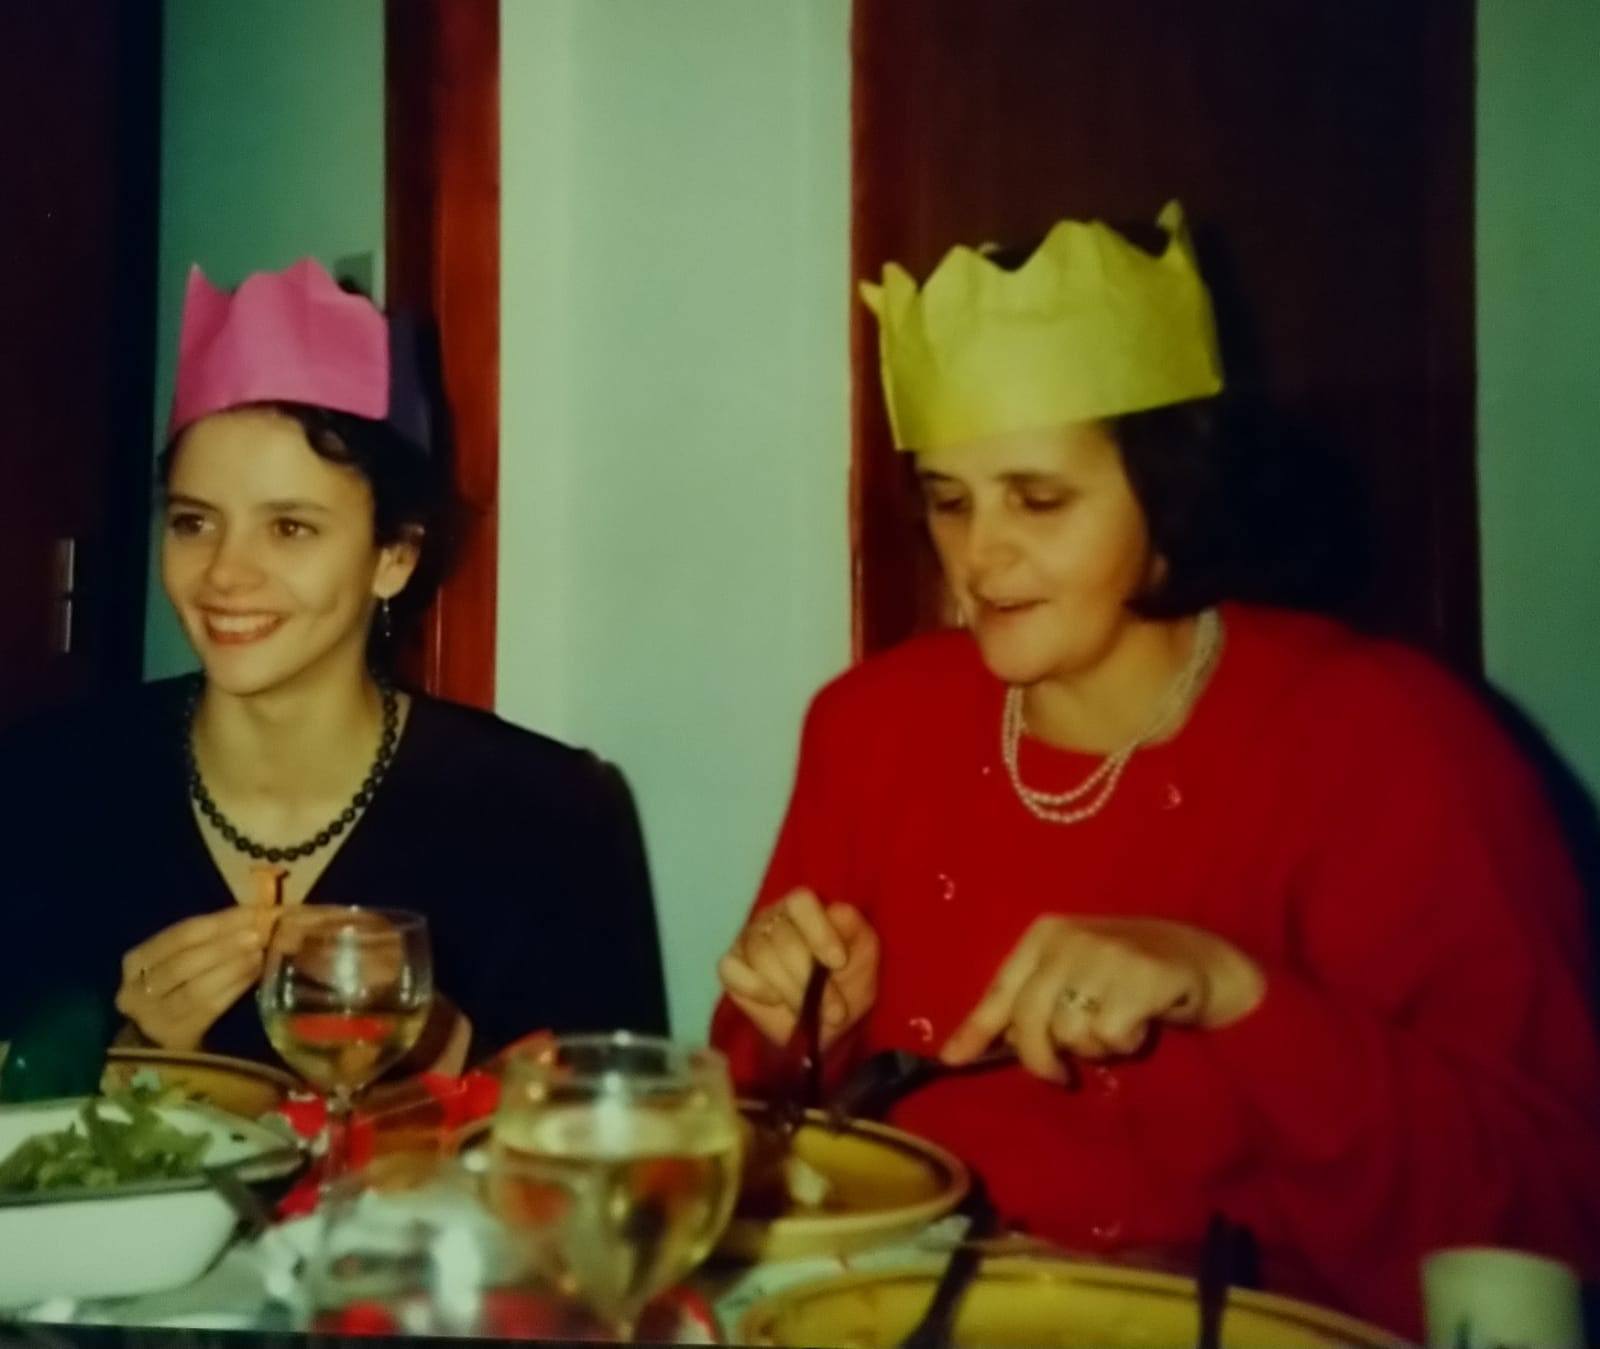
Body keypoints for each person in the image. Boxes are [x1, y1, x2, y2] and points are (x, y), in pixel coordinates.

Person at [709, 202, 1600, 1337]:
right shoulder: (871, 721)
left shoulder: (1390, 739)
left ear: (1171, 500)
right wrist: (795, 1017)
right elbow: (754, 1147)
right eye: (948, 501)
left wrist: (1234, 992)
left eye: (1039, 498)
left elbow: (1553, 1198)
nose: (979, 554)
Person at [0, 258, 667, 1069]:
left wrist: (436, 1044)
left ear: (393, 556)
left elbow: (619, 1156)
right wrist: (135, 1064)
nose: (223, 573)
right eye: (193, 522)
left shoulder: (549, 815)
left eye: (290, 528)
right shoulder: (43, 786)